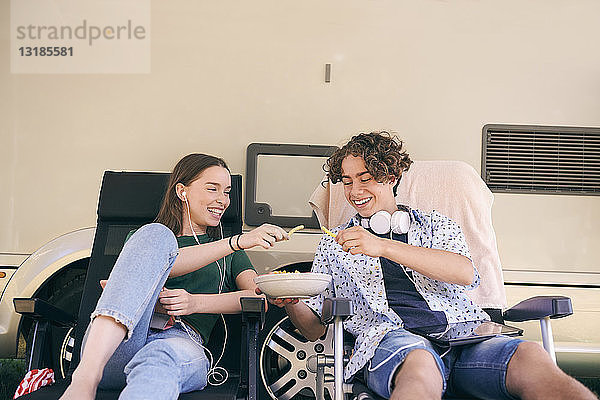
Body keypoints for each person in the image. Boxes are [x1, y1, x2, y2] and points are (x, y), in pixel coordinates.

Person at [268, 132, 596, 400]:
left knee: (531, 357)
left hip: (465, 336)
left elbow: (465, 273)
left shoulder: (437, 225)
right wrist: (292, 300)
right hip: (393, 340)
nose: (354, 191)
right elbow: (314, 329)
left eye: (365, 178)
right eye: (347, 181)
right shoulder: (336, 242)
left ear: (391, 177)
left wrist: (382, 245)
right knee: (421, 367)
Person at [60, 153, 289, 400]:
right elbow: (171, 262)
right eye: (213, 189)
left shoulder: (229, 253)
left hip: (179, 341)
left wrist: (194, 303)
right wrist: (142, 297)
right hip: (119, 343)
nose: (223, 200)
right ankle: (84, 380)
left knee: (160, 360)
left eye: (227, 192)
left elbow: (257, 298)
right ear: (182, 192)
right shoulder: (145, 241)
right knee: (156, 234)